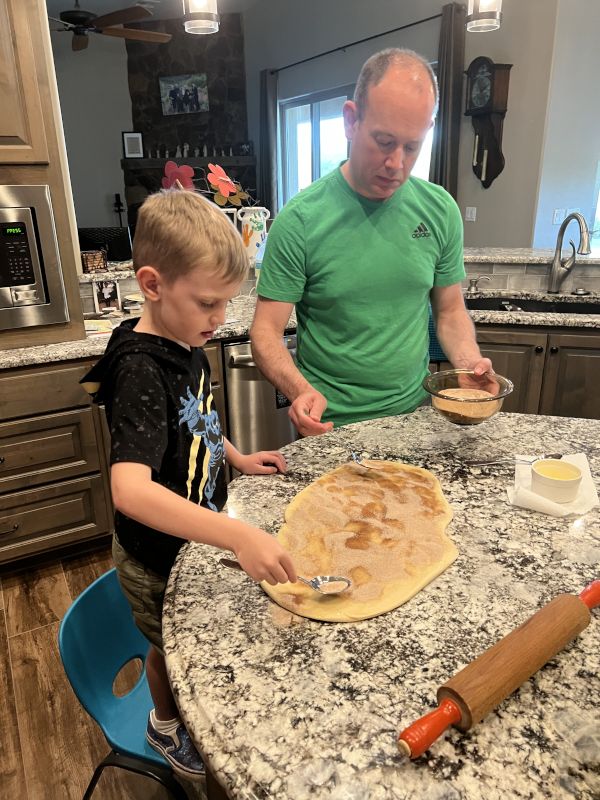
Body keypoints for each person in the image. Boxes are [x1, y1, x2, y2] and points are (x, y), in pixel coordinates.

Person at [81, 189, 297, 779]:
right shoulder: (140, 369)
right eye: (208, 303)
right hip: (155, 559)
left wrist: (236, 457)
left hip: (190, 543)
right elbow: (129, 489)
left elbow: (194, 419)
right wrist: (234, 535)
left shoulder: (185, 340)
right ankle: (166, 723)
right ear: (152, 284)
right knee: (170, 648)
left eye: (226, 303)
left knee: (184, 640)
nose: (219, 319)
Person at [250, 48, 495, 436]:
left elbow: (448, 312)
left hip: (415, 419)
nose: (396, 163)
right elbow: (265, 331)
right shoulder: (300, 220)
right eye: (384, 141)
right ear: (351, 120)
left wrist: (468, 363)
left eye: (411, 147)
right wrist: (299, 391)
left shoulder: (439, 210)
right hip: (331, 427)